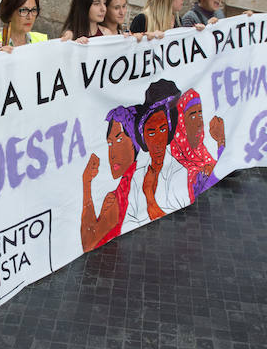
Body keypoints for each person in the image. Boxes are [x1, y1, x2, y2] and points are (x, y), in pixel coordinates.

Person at [126, 79, 188, 226]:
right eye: (151, 132)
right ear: (143, 137)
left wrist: (150, 199)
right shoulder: (133, 177)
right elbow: (129, 217)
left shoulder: (179, 170)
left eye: (163, 129)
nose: (158, 141)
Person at [80, 105, 140, 252]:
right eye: (110, 143)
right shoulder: (124, 188)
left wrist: (86, 183)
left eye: (119, 140)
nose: (112, 153)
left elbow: (88, 242)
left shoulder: (120, 195)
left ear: (134, 141)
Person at [168, 89, 225, 203]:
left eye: (200, 114)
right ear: (181, 122)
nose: (199, 123)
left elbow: (223, 168)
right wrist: (220, 142)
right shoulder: (172, 163)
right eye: (193, 116)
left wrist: (220, 140)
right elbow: (216, 175)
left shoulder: (203, 152)